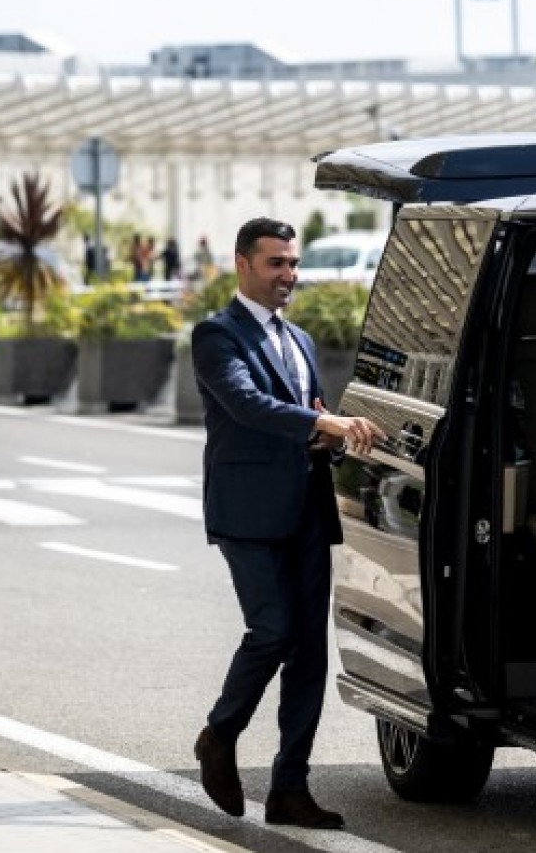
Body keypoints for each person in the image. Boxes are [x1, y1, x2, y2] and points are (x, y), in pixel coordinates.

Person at [189, 217, 383, 830]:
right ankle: (220, 735)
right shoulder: (216, 335)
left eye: (293, 264)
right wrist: (321, 424)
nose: (288, 276)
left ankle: (289, 789)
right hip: (247, 511)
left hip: (305, 509)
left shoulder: (297, 340)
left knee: (309, 655)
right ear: (243, 264)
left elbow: (307, 416)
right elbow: (247, 404)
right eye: (276, 263)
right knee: (271, 630)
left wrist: (332, 436)